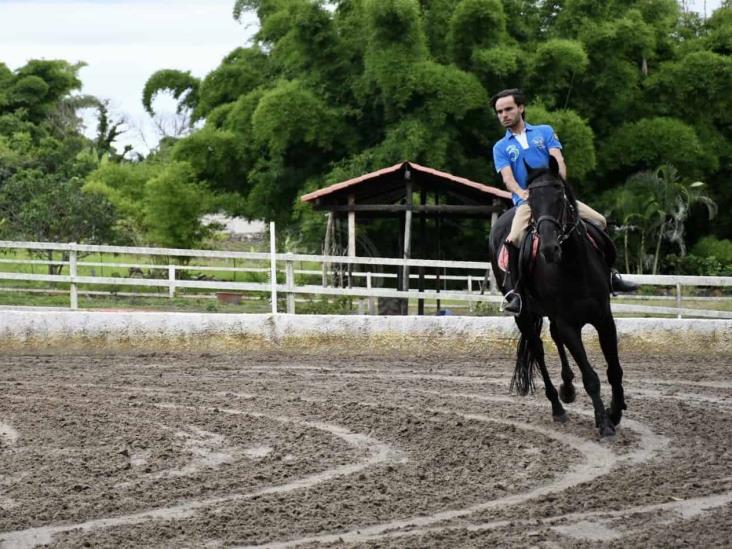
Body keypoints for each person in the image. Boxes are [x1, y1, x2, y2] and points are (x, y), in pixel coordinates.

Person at [491, 88, 637, 315]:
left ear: (521, 108)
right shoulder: (500, 147)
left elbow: (558, 161)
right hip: (527, 202)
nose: (504, 115)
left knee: (599, 222)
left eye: (508, 109)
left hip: (555, 197)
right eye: (499, 112)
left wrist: (557, 186)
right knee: (514, 239)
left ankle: (610, 275)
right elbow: (507, 178)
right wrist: (523, 193)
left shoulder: (544, 132)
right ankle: (516, 292)